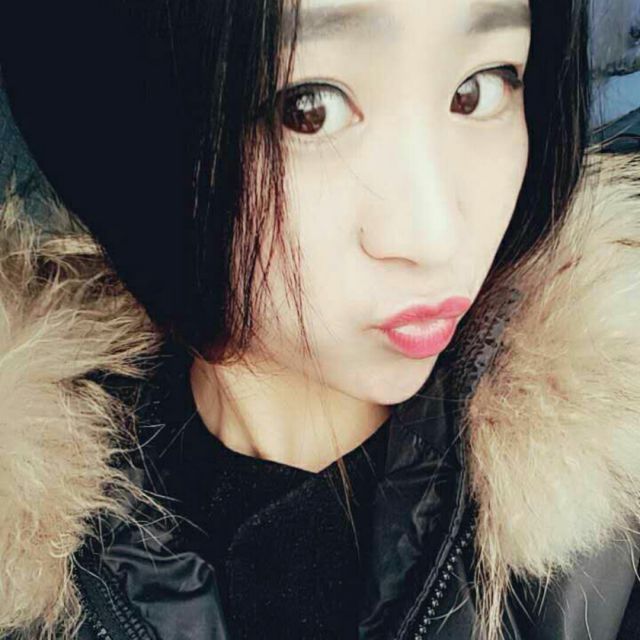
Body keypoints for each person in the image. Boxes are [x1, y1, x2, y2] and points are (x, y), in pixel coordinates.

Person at [0, 0, 639, 639]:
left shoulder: (610, 518)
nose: (434, 236)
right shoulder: (30, 561)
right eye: (308, 109)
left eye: (478, 89)